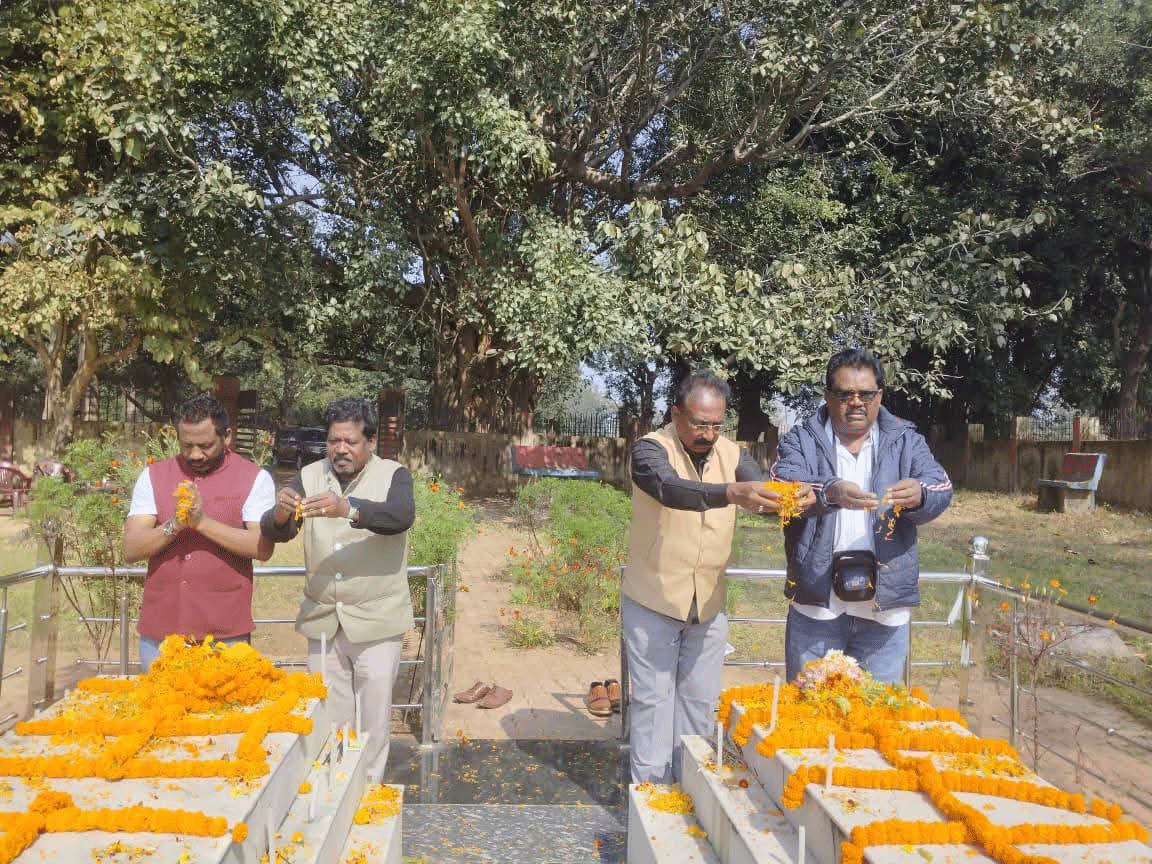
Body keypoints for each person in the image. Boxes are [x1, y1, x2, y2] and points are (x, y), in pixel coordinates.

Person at [622, 370, 815, 784]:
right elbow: (670, 489)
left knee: (698, 706)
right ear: (676, 414)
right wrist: (730, 493)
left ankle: (691, 795)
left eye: (716, 424)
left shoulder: (731, 452)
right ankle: (650, 807)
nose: (708, 434)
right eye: (698, 423)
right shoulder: (649, 451)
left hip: (708, 606)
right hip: (653, 601)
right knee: (654, 708)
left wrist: (798, 496)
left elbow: (762, 493)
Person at [771, 348, 953, 684]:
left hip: (885, 611)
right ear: (828, 396)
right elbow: (784, 483)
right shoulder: (801, 439)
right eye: (845, 394)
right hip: (817, 606)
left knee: (878, 719)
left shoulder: (906, 440)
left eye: (866, 394)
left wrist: (920, 495)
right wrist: (831, 492)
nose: (857, 402)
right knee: (811, 719)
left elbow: (940, 486)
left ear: (879, 395)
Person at [261, 396, 415, 784]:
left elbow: (400, 516)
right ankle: (334, 800)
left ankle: (366, 802)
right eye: (333, 441)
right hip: (325, 621)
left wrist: (348, 508)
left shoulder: (395, 475)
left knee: (373, 724)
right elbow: (277, 530)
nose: (340, 450)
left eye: (350, 442)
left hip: (376, 623)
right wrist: (279, 514)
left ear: (370, 443)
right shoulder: (310, 475)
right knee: (330, 721)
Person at [123, 394, 275, 672]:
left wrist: (202, 523)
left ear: (227, 436)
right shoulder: (153, 476)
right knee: (160, 714)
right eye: (187, 445)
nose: (195, 454)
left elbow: (261, 547)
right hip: (161, 636)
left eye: (205, 446)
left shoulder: (255, 478)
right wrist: (174, 525)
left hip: (225, 637)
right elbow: (131, 548)